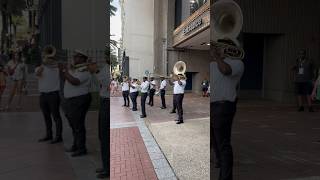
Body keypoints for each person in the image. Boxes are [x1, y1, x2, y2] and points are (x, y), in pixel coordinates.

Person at [211, 38, 244, 180]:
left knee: (223, 145)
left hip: (224, 107)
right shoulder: (214, 63)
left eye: (222, 47)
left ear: (230, 48)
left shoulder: (238, 63)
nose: (219, 49)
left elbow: (225, 70)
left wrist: (217, 56)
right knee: (215, 141)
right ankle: (219, 163)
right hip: (212, 106)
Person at [61, 50, 92, 157]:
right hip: (71, 100)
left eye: (77, 57)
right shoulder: (75, 69)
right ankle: (76, 145)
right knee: (73, 124)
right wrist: (65, 71)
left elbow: (75, 81)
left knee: (78, 125)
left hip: (79, 100)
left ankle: (81, 148)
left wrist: (65, 71)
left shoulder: (85, 71)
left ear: (83, 58)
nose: (75, 58)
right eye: (74, 57)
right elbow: (66, 78)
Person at [35, 47, 63, 144]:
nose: (46, 58)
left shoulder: (56, 66)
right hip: (43, 95)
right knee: (46, 116)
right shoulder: (39, 67)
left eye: (47, 56)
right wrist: (43, 65)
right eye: (44, 56)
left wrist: (51, 61)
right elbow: (38, 73)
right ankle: (49, 135)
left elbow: (59, 66)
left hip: (53, 94)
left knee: (56, 116)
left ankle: (59, 136)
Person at [88, 60, 110, 179]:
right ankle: (105, 165)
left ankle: (107, 168)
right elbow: (98, 85)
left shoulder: (106, 68)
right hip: (103, 100)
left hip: (107, 102)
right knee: (102, 136)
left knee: (105, 136)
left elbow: (105, 82)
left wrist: (95, 71)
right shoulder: (105, 67)